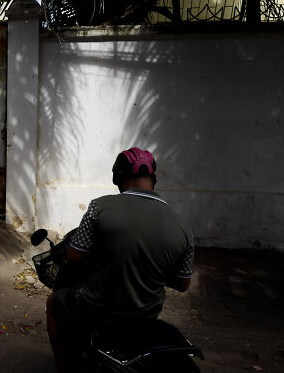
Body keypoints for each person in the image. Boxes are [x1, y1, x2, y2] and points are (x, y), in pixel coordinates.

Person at [46, 147, 194, 372]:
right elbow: (183, 283)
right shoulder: (182, 226)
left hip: (100, 305)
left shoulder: (100, 206)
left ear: (120, 178)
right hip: (147, 311)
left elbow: (75, 256)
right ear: (153, 179)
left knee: (54, 302)